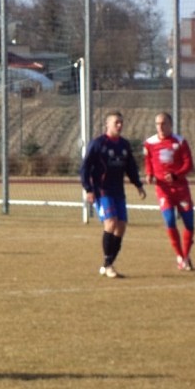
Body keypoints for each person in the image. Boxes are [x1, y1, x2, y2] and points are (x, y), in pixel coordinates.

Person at [80, 111, 146, 278]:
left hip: (118, 191)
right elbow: (85, 167)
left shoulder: (124, 145)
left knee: (121, 226)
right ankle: (109, 265)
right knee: (111, 223)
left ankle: (107, 263)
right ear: (107, 125)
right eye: (116, 122)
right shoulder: (98, 144)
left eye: (121, 122)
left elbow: (130, 167)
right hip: (102, 190)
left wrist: (138, 185)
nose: (119, 125)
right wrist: (88, 188)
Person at [143, 112, 195, 271]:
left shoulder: (180, 142)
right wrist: (149, 174)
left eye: (163, 123)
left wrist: (176, 175)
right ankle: (180, 257)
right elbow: (148, 162)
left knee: (189, 226)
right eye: (158, 124)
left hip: (181, 189)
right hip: (163, 189)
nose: (160, 127)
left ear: (170, 125)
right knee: (170, 221)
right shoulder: (149, 143)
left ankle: (186, 255)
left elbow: (188, 164)